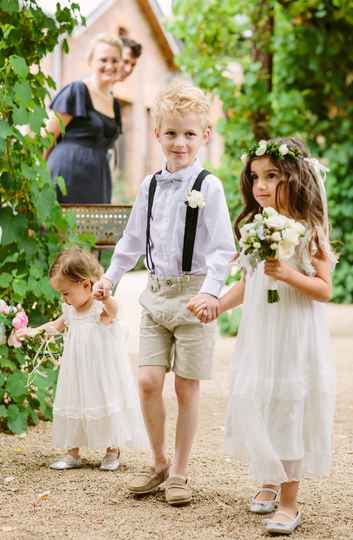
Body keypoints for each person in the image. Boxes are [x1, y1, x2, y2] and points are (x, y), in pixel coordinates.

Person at [93, 81, 235, 505]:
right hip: (155, 296)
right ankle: (157, 462)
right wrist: (110, 278)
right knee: (148, 380)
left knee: (186, 387)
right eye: (171, 132)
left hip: (194, 298)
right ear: (157, 133)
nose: (180, 142)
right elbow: (132, 241)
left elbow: (223, 249)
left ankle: (180, 471)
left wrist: (211, 294)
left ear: (204, 135)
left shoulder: (209, 187)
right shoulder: (149, 186)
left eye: (190, 133)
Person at [189, 137, 336, 534]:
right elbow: (249, 282)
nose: (261, 185)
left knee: (289, 403)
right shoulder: (254, 227)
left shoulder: (310, 231)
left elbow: (325, 289)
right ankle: (269, 478)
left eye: (272, 176)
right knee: (262, 400)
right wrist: (218, 304)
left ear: (295, 177)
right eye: (255, 177)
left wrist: (290, 274)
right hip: (261, 335)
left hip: (293, 335)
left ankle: (290, 502)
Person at [16, 247, 147, 470]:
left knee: (104, 401)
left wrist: (106, 298)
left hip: (100, 371)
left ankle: (112, 450)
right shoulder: (70, 311)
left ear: (86, 285)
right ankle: (72, 452)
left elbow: (115, 311)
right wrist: (33, 331)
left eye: (66, 293)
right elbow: (55, 327)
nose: (63, 298)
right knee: (73, 401)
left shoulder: (99, 308)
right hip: (76, 370)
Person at [45, 33, 125, 204]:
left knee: (93, 230)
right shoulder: (77, 91)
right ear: (91, 62)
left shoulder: (115, 104)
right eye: (103, 60)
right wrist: (38, 181)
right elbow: (46, 138)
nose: (109, 66)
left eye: (115, 60)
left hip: (98, 178)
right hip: (66, 173)